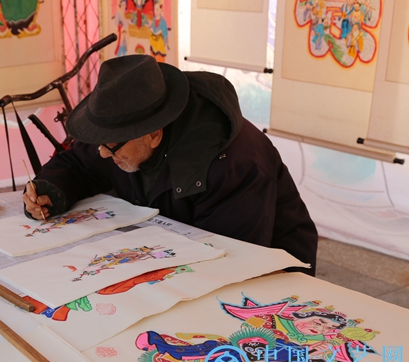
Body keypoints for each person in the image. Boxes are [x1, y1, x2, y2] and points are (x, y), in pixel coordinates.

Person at [22, 54, 318, 275]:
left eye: (109, 147)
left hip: (271, 274)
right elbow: (79, 162)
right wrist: (52, 189)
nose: (102, 154)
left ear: (153, 134)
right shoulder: (120, 131)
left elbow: (230, 259)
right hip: (171, 251)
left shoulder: (233, 165)